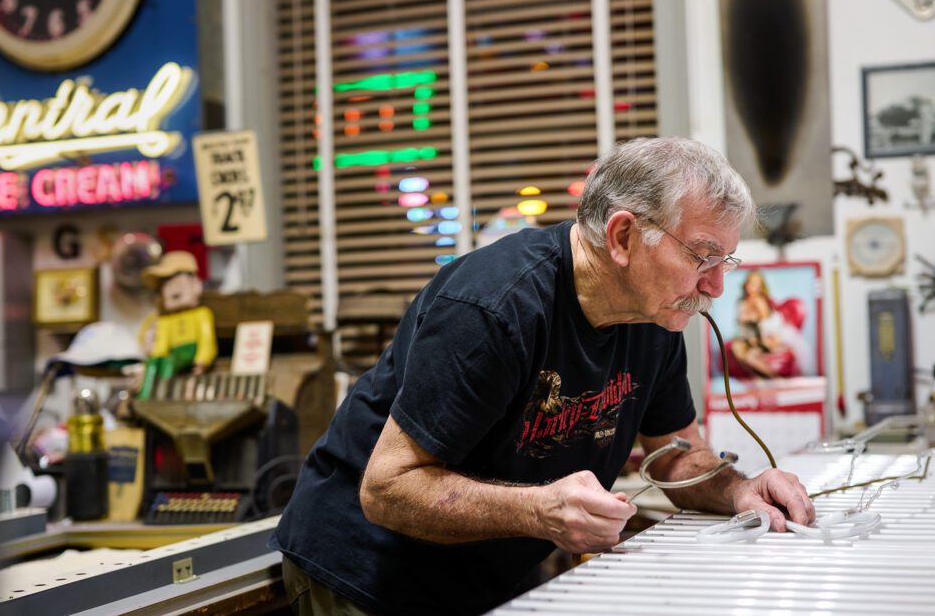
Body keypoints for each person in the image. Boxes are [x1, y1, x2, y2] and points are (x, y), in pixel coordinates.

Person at [270, 137, 816, 615]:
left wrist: (741, 491)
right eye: (703, 256)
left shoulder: (654, 317)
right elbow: (386, 489)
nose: (717, 287)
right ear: (623, 237)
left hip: (491, 568)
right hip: (368, 572)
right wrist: (540, 509)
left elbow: (675, 454)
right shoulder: (493, 308)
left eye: (727, 261)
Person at [137, 251, 217, 399]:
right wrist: (155, 357)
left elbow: (206, 339)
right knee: (153, 363)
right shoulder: (164, 320)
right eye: (166, 282)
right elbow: (162, 343)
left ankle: (161, 396)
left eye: (178, 280)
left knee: (168, 363)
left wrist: (202, 359)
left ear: (195, 285)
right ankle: (145, 397)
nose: (172, 288)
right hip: (172, 353)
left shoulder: (201, 314)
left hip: (189, 351)